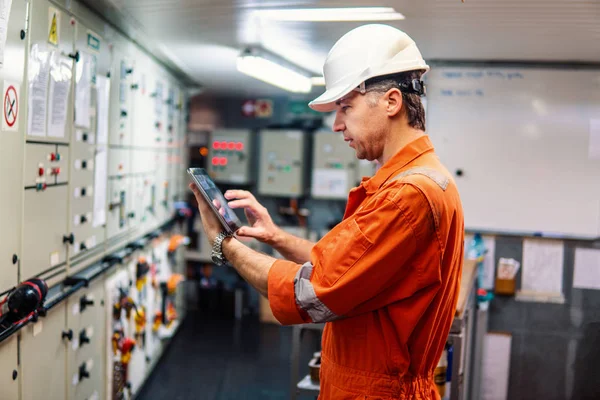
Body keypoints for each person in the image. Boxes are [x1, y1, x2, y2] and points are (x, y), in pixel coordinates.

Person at [189, 24, 464, 400]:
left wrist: (224, 243)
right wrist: (276, 237)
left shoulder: (406, 196)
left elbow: (312, 293)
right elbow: (340, 267)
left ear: (392, 102)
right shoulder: (421, 179)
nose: (337, 125)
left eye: (346, 107)